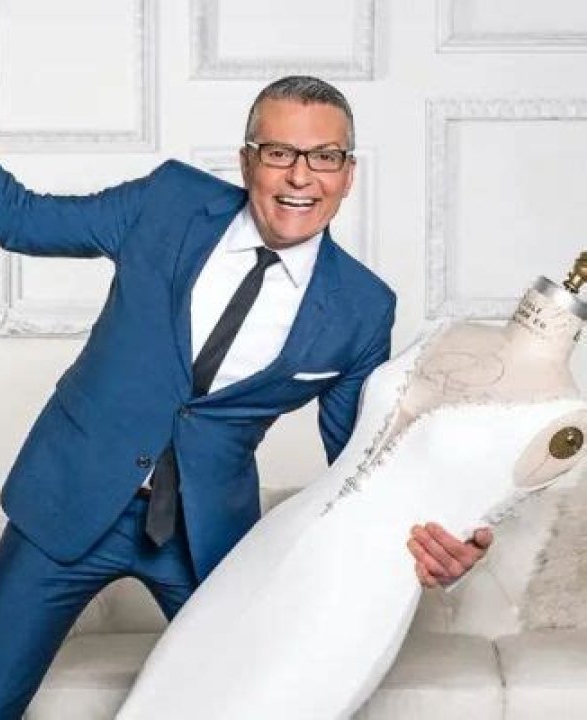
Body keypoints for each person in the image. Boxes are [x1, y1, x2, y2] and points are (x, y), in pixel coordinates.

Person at [0, 24, 491, 720]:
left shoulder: (361, 308)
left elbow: (358, 462)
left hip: (205, 538)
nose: (300, 176)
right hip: (70, 501)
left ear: (348, 173)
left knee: (252, 706)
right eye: (280, 152)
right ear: (248, 160)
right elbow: (23, 219)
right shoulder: (167, 203)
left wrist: (443, 530)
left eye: (324, 157)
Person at [115, 270, 587, 719]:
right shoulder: (448, 330)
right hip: (268, 545)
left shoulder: (564, 420)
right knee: (163, 695)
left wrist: (462, 552)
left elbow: (473, 522)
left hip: (358, 586)